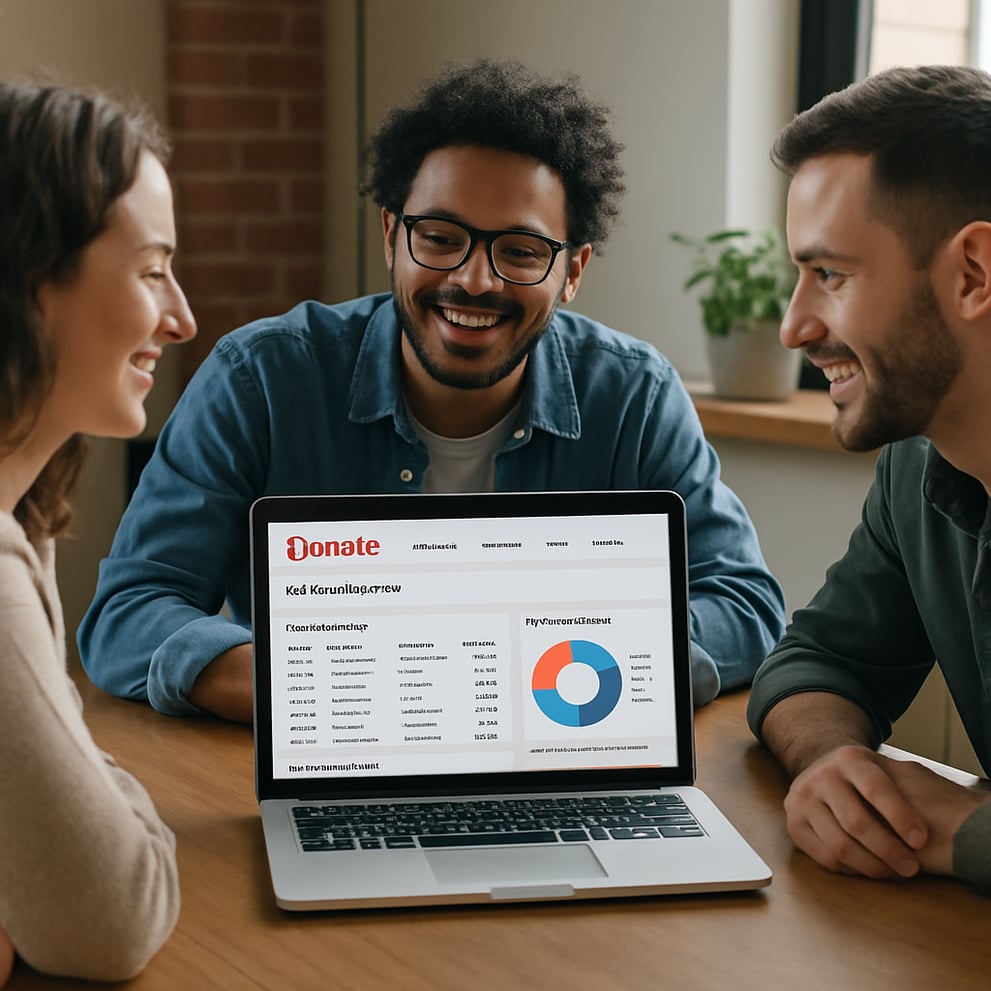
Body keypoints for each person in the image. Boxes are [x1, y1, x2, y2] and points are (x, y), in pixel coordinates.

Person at [80, 58, 785, 726]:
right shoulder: (260, 378)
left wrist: (542, 668)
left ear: (571, 272)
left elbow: (743, 605)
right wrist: (334, 689)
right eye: (441, 237)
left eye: (519, 250)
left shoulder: (633, 396)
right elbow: (129, 612)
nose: (474, 280)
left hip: (558, 743)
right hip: (324, 762)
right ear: (392, 235)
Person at [746, 64, 991, 892]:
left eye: (831, 275)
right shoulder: (918, 466)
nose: (793, 325)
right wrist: (834, 764)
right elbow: (814, 659)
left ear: (973, 273)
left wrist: (966, 832)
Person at [0, 80, 197, 984]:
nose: (181, 316)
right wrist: (126, 809)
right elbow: (110, 914)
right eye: (153, 269)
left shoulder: (22, 512)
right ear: (34, 279)